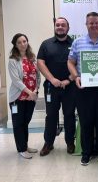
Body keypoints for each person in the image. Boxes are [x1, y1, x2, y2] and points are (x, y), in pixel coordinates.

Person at [67, 12, 98, 166]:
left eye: (96, 23)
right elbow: (70, 62)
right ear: (86, 24)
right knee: (86, 121)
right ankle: (86, 152)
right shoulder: (78, 42)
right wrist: (76, 77)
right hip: (84, 89)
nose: (94, 25)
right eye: (91, 23)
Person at [37, 17, 77, 156]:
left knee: (69, 115)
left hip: (70, 87)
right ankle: (48, 143)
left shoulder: (75, 43)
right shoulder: (46, 44)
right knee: (51, 116)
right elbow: (40, 63)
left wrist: (69, 79)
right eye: (57, 25)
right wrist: (52, 79)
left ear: (68, 28)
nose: (60, 27)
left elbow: (79, 63)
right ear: (55, 26)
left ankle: (70, 142)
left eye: (63, 25)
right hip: (51, 87)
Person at [8, 33, 40, 159]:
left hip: (31, 97)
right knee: (18, 123)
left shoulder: (32, 57)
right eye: (19, 42)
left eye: (24, 41)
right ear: (15, 45)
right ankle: (21, 149)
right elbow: (16, 81)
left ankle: (25, 146)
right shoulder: (13, 60)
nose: (23, 44)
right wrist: (29, 92)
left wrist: (35, 91)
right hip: (18, 97)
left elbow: (37, 76)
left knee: (25, 122)